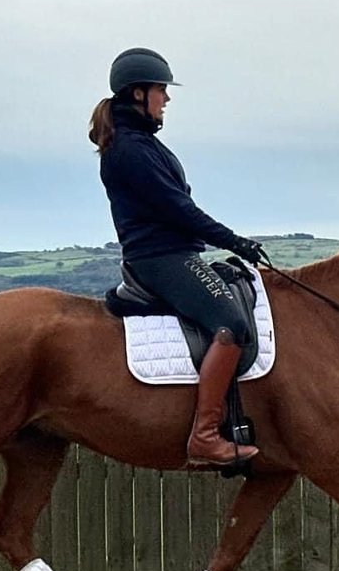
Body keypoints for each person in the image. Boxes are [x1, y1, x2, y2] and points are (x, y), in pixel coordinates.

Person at [90, 47, 264, 467]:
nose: (166, 99)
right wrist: (235, 241)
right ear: (138, 94)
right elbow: (178, 210)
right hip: (160, 259)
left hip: (175, 253)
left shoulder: (144, 144)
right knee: (232, 323)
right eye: (161, 91)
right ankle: (204, 436)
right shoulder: (131, 150)